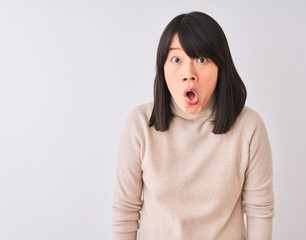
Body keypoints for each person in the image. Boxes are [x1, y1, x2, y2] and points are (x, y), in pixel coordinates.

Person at [112, 11, 274, 240]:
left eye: (201, 59)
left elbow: (259, 211)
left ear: (220, 67)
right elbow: (125, 211)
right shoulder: (139, 124)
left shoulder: (249, 127)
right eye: (176, 59)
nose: (189, 74)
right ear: (162, 67)